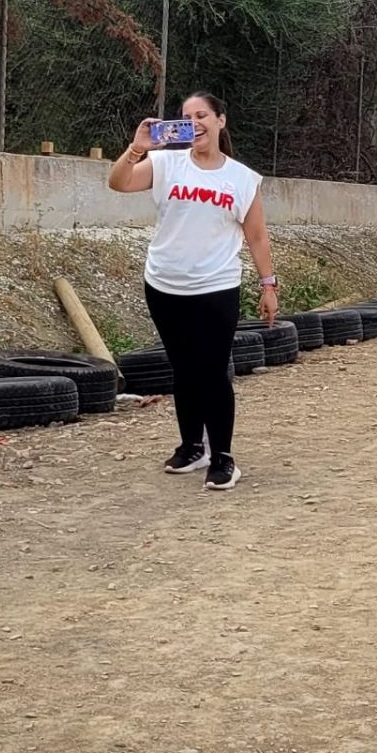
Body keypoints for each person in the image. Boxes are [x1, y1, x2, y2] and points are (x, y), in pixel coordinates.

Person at [105, 90, 277, 491]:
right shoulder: (164, 163)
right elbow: (118, 183)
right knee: (182, 369)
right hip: (164, 285)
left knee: (213, 372)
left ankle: (222, 457)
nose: (195, 122)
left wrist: (268, 285)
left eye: (202, 115)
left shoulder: (242, 179)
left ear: (220, 121)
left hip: (216, 288)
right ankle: (191, 447)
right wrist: (136, 148)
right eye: (186, 116)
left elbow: (257, 237)